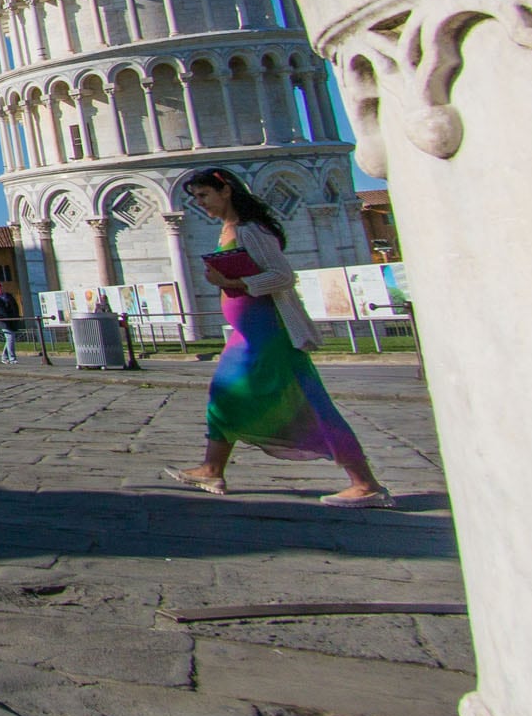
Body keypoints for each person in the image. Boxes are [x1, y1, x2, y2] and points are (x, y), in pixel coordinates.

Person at [167, 168, 393, 507]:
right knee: (224, 394)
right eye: (196, 197)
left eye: (204, 196)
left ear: (225, 191)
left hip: (268, 333)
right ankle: (211, 468)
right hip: (246, 333)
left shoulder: (250, 229)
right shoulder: (229, 229)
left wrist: (232, 283)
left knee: (310, 403)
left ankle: (365, 483)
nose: (200, 204)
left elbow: (282, 276)